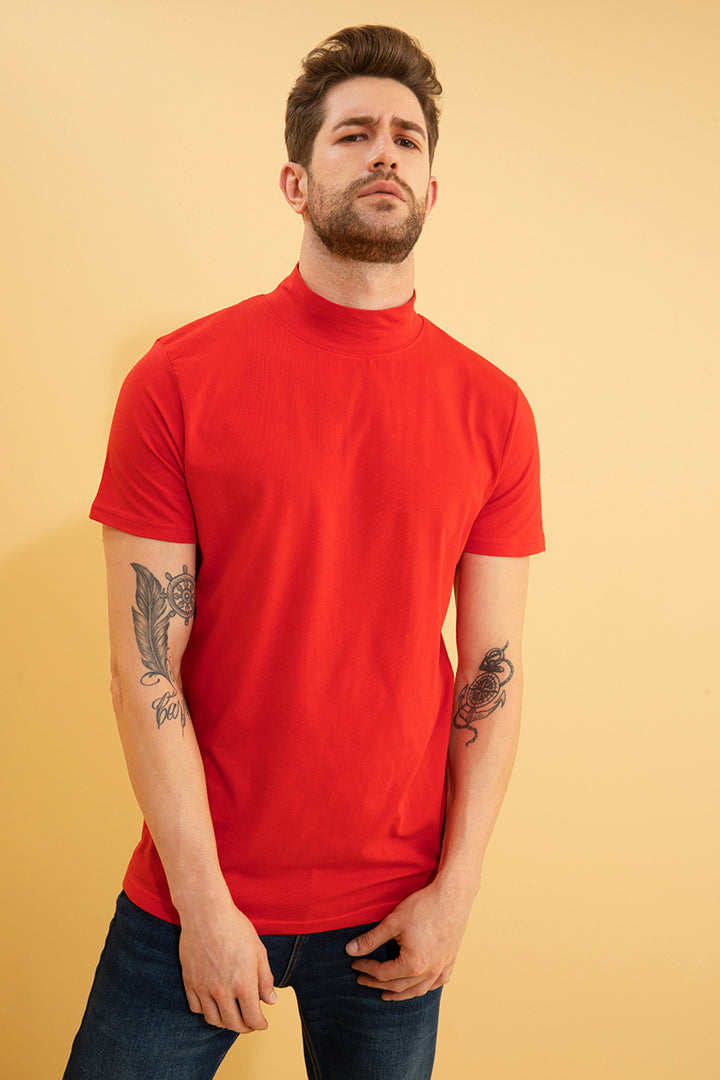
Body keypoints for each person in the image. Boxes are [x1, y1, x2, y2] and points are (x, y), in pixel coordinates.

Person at [63, 24, 544, 1080]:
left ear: (430, 189)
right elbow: (145, 669)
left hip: (395, 910)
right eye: (354, 134)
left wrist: (456, 892)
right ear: (296, 181)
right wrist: (204, 905)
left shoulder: (494, 410)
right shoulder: (177, 381)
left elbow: (492, 673)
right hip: (195, 892)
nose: (385, 154)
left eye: (407, 139)